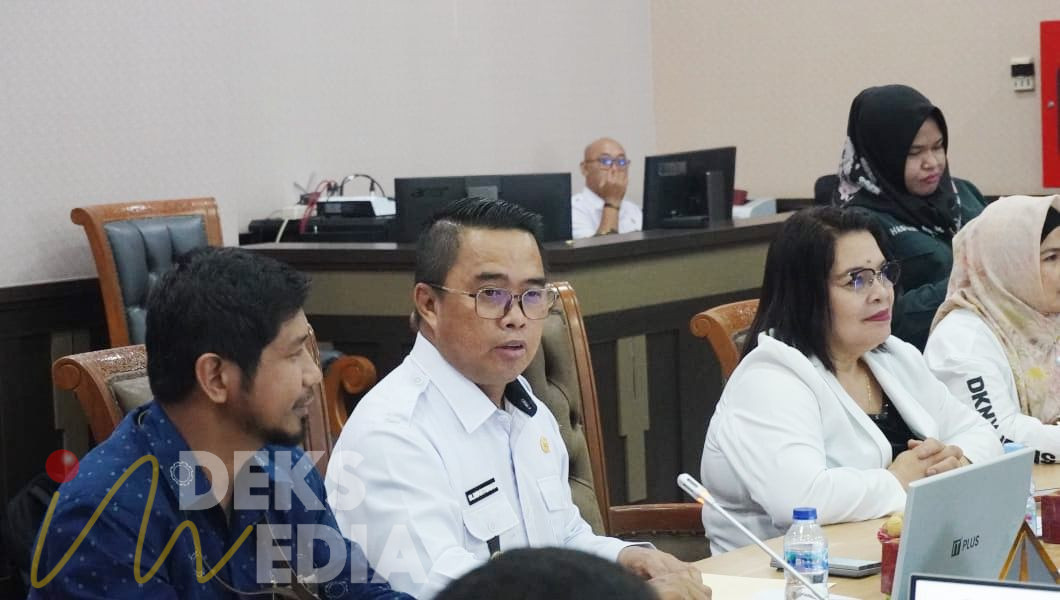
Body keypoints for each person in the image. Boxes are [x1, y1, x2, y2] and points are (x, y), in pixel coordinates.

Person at [326, 198, 708, 599]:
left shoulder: (526, 407)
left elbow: (563, 539)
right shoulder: (393, 436)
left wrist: (626, 559)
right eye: (491, 293)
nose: (516, 317)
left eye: (532, 294)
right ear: (429, 305)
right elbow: (449, 594)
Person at [29, 247, 410, 599]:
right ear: (215, 377)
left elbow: (359, 590)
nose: (313, 375)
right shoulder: (107, 518)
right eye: (294, 354)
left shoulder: (283, 467)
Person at [699, 207, 1002, 554]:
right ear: (806, 294)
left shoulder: (893, 356)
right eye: (857, 280)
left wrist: (957, 462)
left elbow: (981, 433)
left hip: (894, 557)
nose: (882, 292)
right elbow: (800, 500)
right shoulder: (769, 380)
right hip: (783, 574)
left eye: (884, 273)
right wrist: (898, 480)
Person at [833, 84, 986, 350]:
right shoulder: (860, 223)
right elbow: (887, 315)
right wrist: (972, 282)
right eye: (914, 153)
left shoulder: (963, 194)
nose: (932, 162)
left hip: (990, 342)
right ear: (882, 155)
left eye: (938, 147)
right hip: (920, 356)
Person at [925, 195, 1060, 463]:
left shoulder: (1045, 319)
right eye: (1052, 257)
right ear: (1010, 264)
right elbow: (997, 434)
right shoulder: (961, 339)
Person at [434, 547, 662, 600]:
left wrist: (627, 554)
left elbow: (569, 531)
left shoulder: (543, 434)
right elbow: (436, 574)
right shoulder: (418, 441)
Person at [571, 137, 642, 238]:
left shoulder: (634, 209)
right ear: (585, 168)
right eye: (605, 161)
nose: (614, 169)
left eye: (621, 162)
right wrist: (612, 202)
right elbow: (600, 247)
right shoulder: (573, 209)